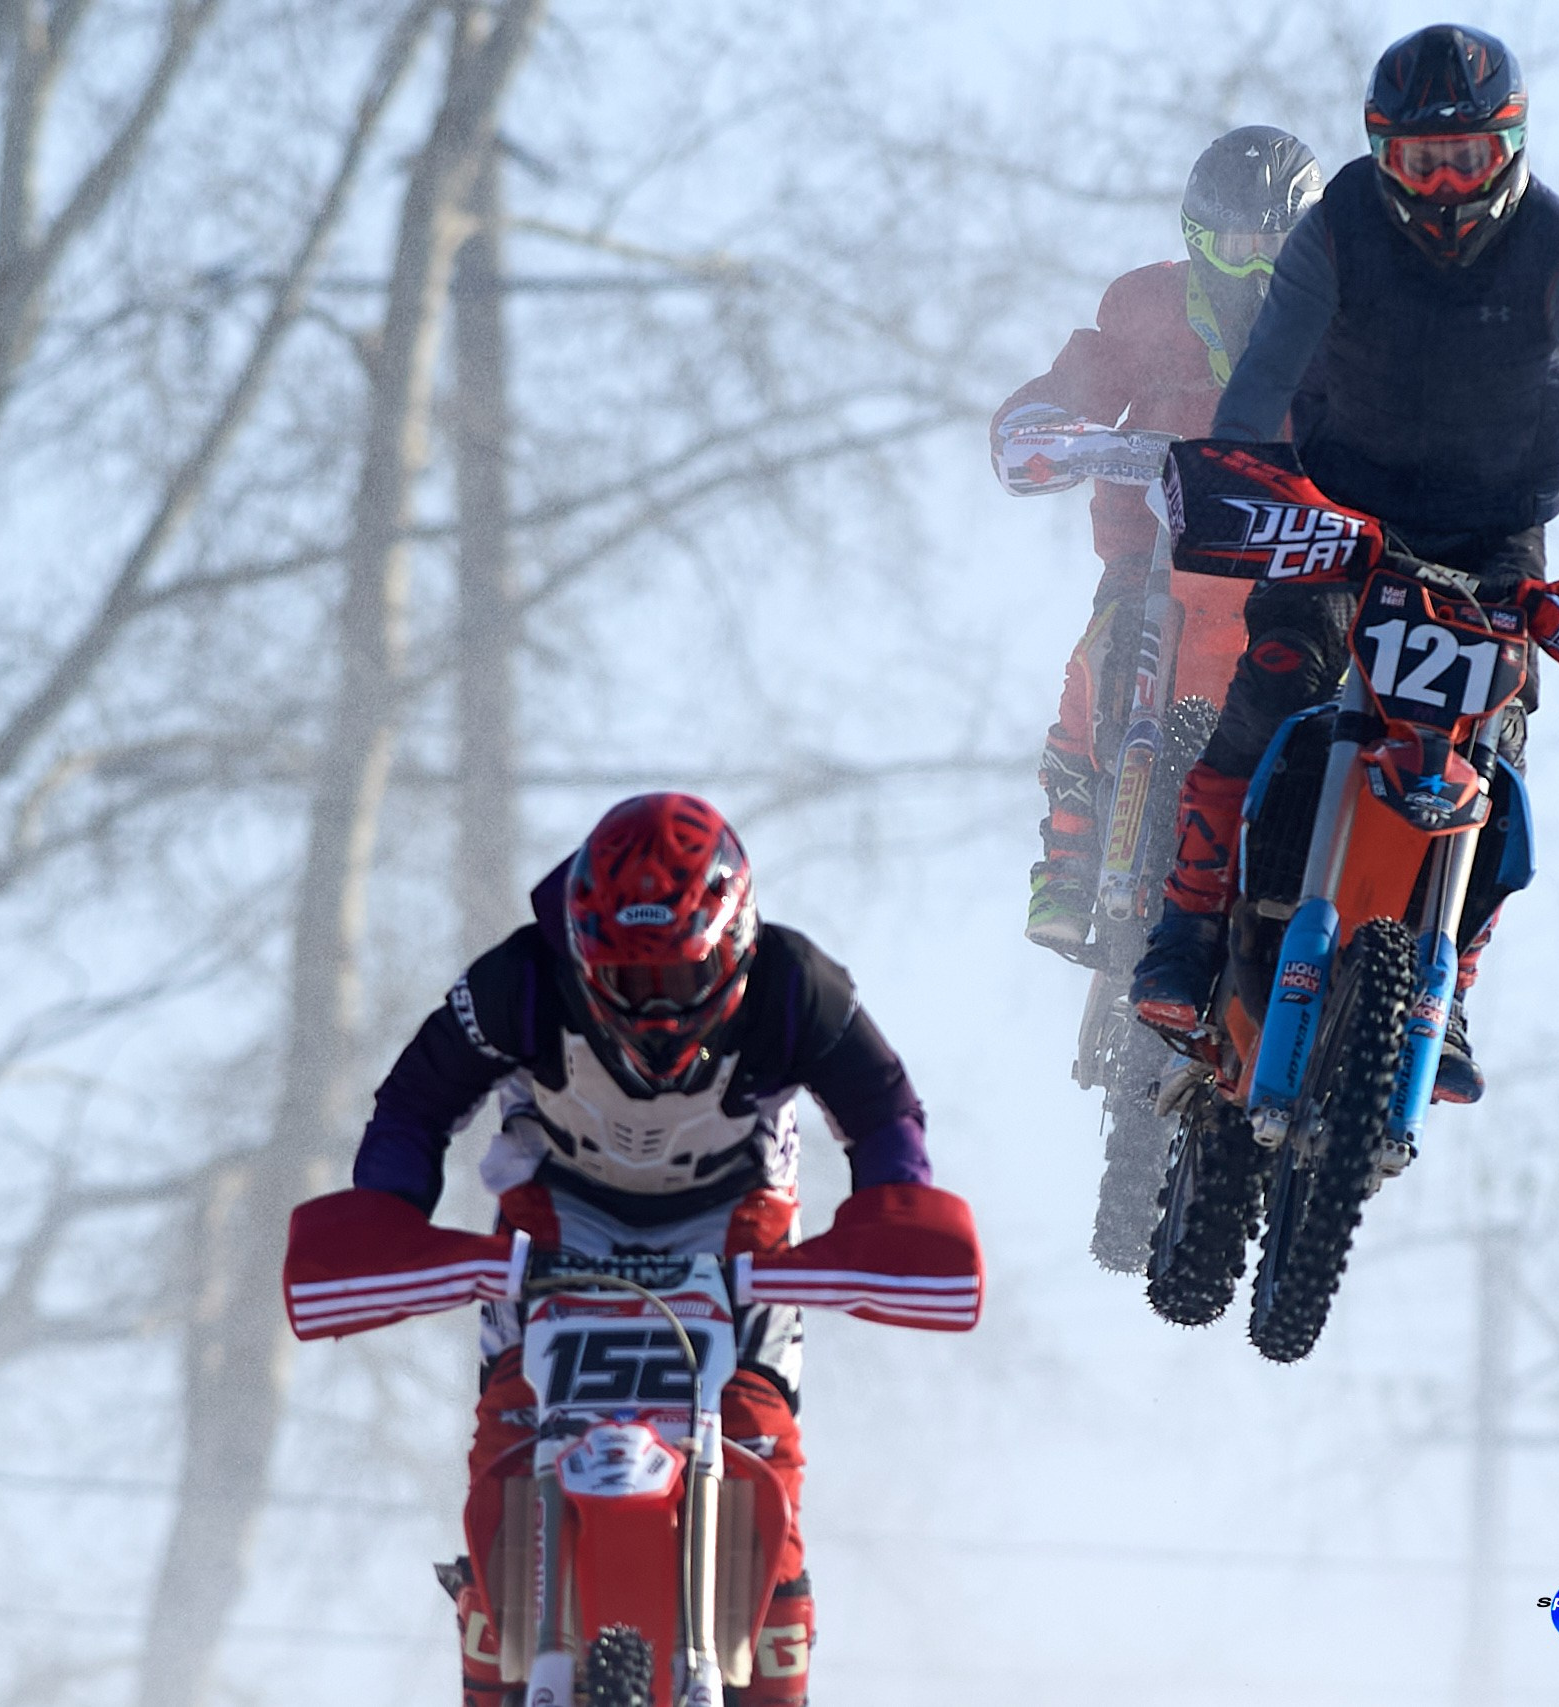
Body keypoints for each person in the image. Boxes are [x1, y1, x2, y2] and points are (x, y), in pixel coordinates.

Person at [1128, 25, 1559, 1104]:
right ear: (1379, 155)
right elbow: (1264, 372)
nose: (1441, 188)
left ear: (1510, 151)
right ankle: (1183, 932)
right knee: (1277, 675)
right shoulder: (1338, 223)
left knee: (1497, 746)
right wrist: (1242, 469)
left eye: (1465, 161)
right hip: (1344, 504)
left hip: (1493, 533)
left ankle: (1454, 982)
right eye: (1418, 163)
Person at [330, 793, 942, 1707]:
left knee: (761, 1445)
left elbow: (885, 1114)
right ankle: (492, 1669)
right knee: (506, 1438)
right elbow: (415, 1103)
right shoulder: (518, 980)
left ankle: (775, 1684)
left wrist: (898, 1211)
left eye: (678, 983)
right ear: (580, 953)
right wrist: (384, 1216)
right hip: (558, 1219)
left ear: (733, 947)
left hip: (734, 1224)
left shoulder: (796, 985)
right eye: (629, 982)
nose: (656, 1012)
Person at [994, 126, 1323, 959]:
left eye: (1279, 244)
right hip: (1155, 551)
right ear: (1200, 242)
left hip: (1290, 564)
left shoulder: (1342, 334)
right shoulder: (1147, 312)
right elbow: (1083, 379)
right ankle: (1067, 852)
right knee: (1094, 665)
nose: (1259, 267)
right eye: (1242, 244)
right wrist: (1040, 426)